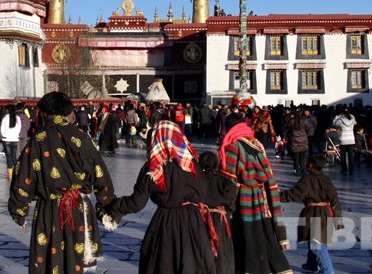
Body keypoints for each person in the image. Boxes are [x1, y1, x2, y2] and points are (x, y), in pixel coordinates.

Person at [9, 92, 116, 274]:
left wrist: (19, 211)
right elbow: (99, 172)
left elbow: (23, 176)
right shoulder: (80, 136)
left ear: (46, 113)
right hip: (78, 207)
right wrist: (107, 206)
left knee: (49, 260)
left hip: (48, 209)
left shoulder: (39, 139)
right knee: (75, 259)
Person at [104, 121, 217, 274]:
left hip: (165, 223)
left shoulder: (153, 169)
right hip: (192, 222)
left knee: (163, 264)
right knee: (193, 263)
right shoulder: (191, 164)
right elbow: (202, 194)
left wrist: (113, 208)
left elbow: (136, 203)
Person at [219, 112, 292, 274]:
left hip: (242, 199)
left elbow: (228, 179)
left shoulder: (232, 145)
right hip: (261, 197)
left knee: (246, 236)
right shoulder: (256, 143)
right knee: (263, 234)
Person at [281, 153, 344, 274]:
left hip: (312, 214)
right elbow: (335, 200)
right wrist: (338, 221)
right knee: (317, 240)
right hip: (325, 214)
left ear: (310, 165)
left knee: (316, 245)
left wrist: (276, 195)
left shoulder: (307, 181)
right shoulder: (326, 180)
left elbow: (293, 194)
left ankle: (327, 270)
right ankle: (312, 264)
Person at [199, 151, 236, 274]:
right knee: (222, 254)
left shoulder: (196, 182)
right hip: (220, 221)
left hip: (201, 219)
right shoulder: (225, 182)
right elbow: (231, 204)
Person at [333, 109, 357, 175]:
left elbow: (334, 123)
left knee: (343, 155)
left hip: (343, 139)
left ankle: (344, 169)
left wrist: (337, 116)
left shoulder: (341, 120)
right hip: (351, 139)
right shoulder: (352, 119)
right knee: (350, 155)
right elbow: (355, 122)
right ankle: (351, 169)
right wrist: (352, 116)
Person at [290, 107, 312, 176]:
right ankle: (302, 168)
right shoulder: (304, 120)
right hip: (303, 138)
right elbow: (308, 127)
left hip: (295, 138)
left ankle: (296, 169)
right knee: (302, 155)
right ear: (301, 112)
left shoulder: (292, 120)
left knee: (296, 155)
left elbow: (289, 128)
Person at [0, 105, 20, 180]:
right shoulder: (17, 118)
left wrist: (4, 135)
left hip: (6, 139)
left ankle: (10, 174)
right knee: (14, 156)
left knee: (8, 157)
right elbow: (19, 128)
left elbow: (2, 128)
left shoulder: (5, 118)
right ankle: (17, 172)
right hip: (15, 139)